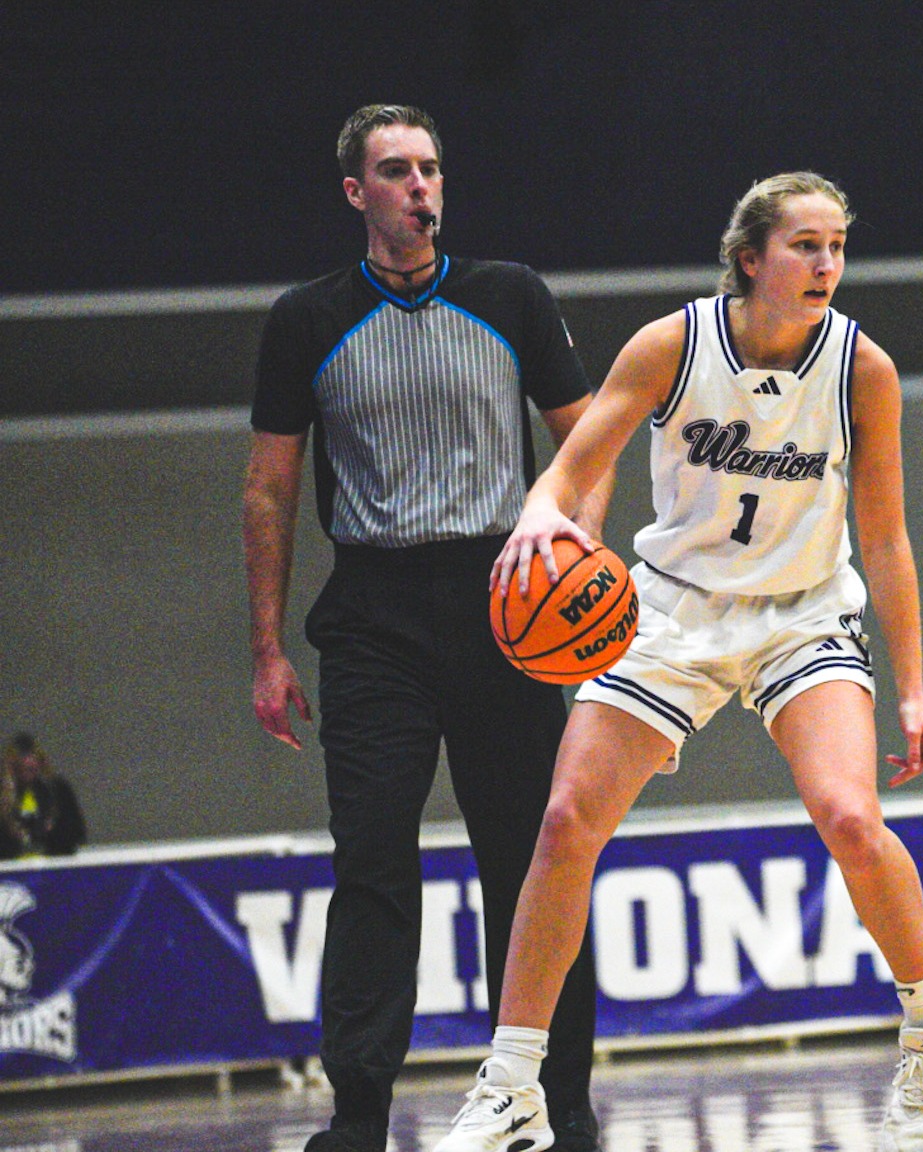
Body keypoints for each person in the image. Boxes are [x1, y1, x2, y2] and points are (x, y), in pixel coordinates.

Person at [431, 173, 923, 1152]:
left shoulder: (862, 368)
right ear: (751, 257)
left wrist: (914, 690)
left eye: (837, 247)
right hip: (672, 613)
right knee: (563, 823)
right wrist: (540, 519)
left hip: (802, 616)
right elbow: (573, 465)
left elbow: (885, 542)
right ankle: (510, 1084)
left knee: (850, 817)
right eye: (804, 245)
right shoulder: (672, 346)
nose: (825, 266)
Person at [242, 105, 607, 1152]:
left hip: (507, 604)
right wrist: (267, 650)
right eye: (395, 172)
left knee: (537, 859)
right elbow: (267, 492)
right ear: (356, 193)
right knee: (370, 860)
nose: (420, 188)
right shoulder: (306, 317)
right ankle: (358, 1113)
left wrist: (575, 560)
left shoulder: (510, 295)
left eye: (431, 169)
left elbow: (582, 449)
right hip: (372, 617)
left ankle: (556, 1101)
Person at [5, 733, 86, 856]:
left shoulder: (58, 790)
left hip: (55, 862)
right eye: (20, 767)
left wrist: (50, 832)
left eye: (31, 768)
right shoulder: (5, 795)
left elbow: (77, 833)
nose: (27, 768)